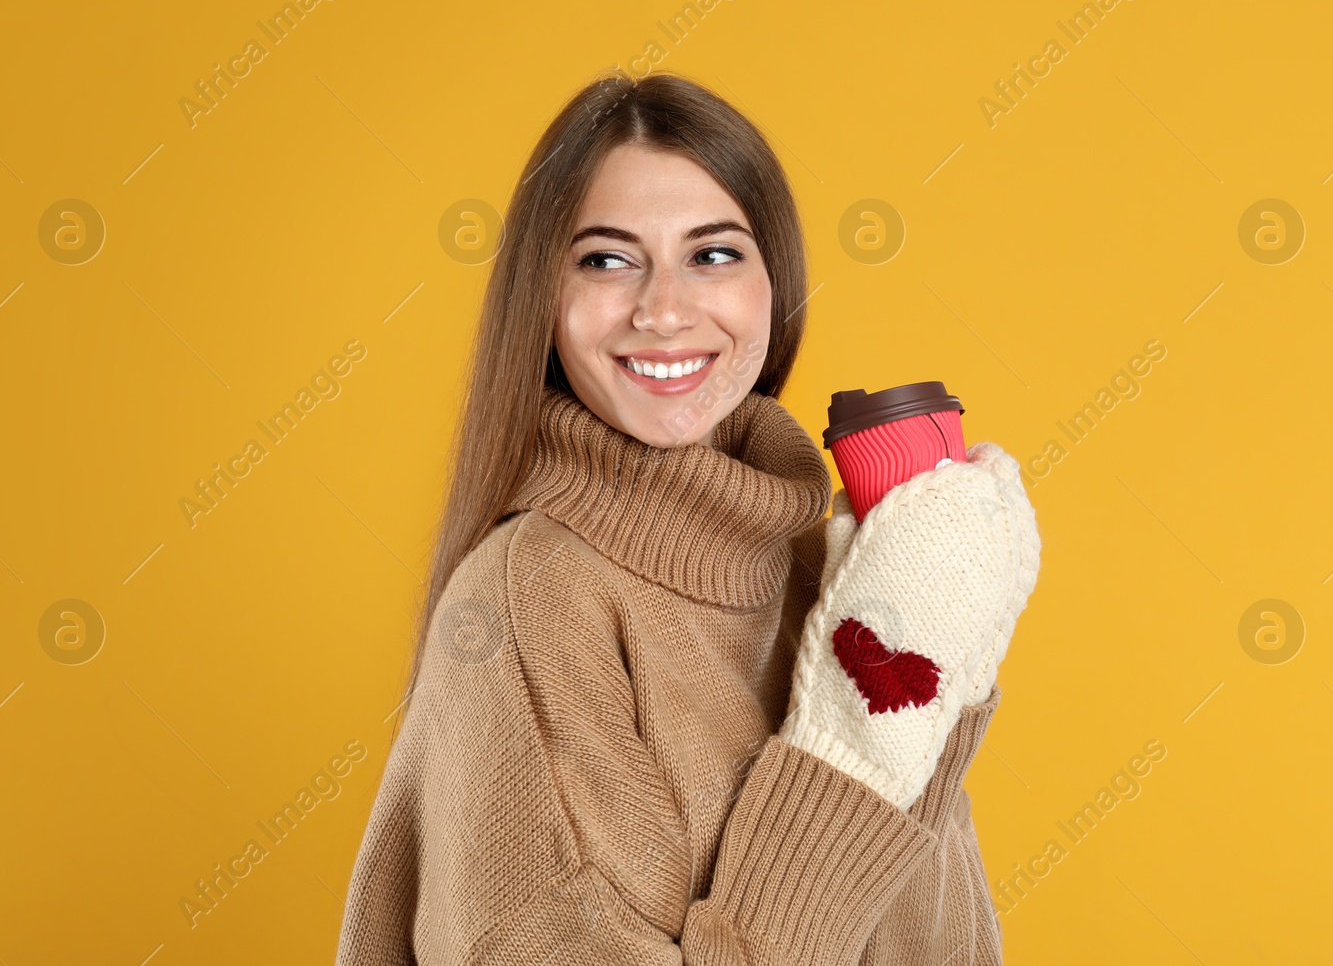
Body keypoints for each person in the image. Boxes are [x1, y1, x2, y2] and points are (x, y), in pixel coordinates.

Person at [335, 70, 1042, 965]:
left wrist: (938, 670)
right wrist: (847, 764)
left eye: (712, 254)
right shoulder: (526, 607)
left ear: (773, 285)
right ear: (543, 302)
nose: (664, 310)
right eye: (605, 258)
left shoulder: (834, 582)